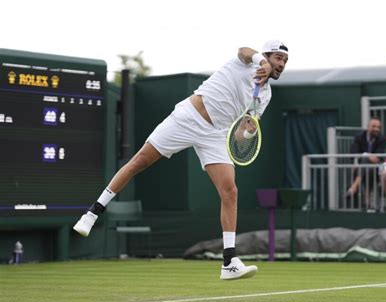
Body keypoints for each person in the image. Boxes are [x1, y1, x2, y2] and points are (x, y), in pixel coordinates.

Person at [73, 40, 289, 280]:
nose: (281, 64)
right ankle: (92, 214)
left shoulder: (265, 95)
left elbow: (240, 132)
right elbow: (244, 50)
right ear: (267, 56)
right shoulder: (245, 63)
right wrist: (260, 62)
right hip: (189, 116)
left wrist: (248, 131)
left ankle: (229, 262)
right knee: (139, 161)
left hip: (217, 134)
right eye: (278, 58)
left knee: (230, 191)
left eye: (284, 61)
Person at [346, 117, 386, 206]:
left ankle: (354, 187)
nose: (376, 129)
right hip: (362, 167)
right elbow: (353, 152)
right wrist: (366, 155)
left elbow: (379, 156)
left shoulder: (382, 139)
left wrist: (367, 157)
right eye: (374, 126)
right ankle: (366, 200)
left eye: (378, 127)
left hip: (376, 168)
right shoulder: (359, 137)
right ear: (368, 127)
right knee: (366, 166)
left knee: (366, 166)